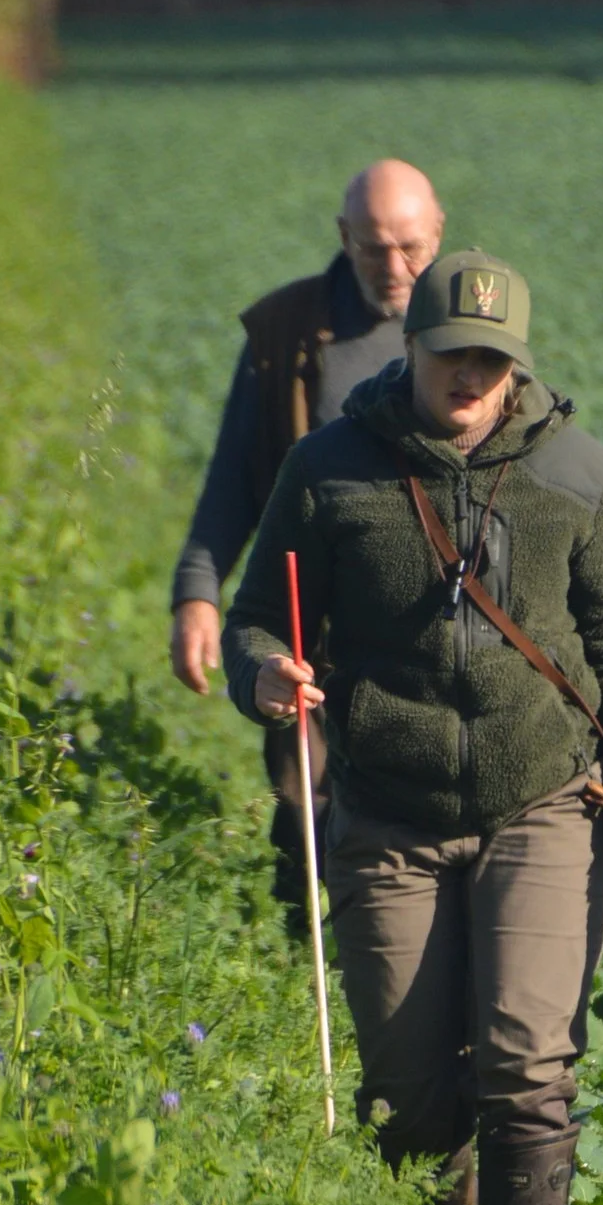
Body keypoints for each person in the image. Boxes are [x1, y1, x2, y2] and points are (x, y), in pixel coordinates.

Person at [223, 249, 603, 1205]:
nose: (470, 378)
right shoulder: (329, 469)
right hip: (387, 811)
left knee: (527, 1069)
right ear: (413, 351)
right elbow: (256, 617)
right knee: (410, 1093)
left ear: (517, 365)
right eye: (452, 357)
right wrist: (267, 672)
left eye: (492, 360)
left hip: (545, 799)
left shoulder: (577, 472)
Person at [169, 160, 445, 907]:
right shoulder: (286, 330)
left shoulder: (472, 323)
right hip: (313, 616)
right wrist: (197, 590)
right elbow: (235, 475)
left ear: (440, 231)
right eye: (374, 249)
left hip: (434, 623)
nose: (395, 269)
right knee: (306, 809)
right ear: (343, 236)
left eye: (412, 248)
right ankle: (304, 945)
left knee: (415, 816)